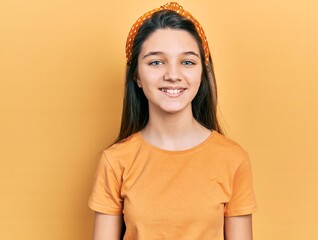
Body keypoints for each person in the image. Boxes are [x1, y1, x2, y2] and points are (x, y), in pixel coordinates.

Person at [88, 2, 257, 239]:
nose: (173, 75)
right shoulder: (116, 161)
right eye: (156, 62)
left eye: (187, 62)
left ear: (202, 72)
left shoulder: (233, 159)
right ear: (137, 75)